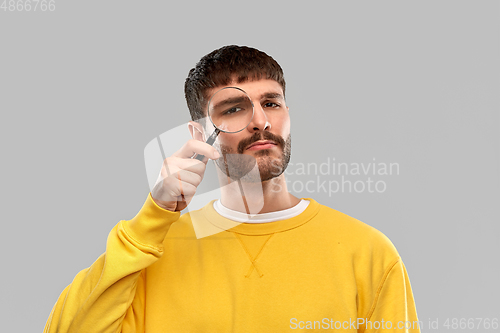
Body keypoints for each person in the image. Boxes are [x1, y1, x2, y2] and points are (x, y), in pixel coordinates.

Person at [44, 45, 420, 332]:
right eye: (233, 109)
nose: (260, 121)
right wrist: (151, 219)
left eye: (271, 103)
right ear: (198, 134)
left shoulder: (369, 253)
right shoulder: (151, 253)